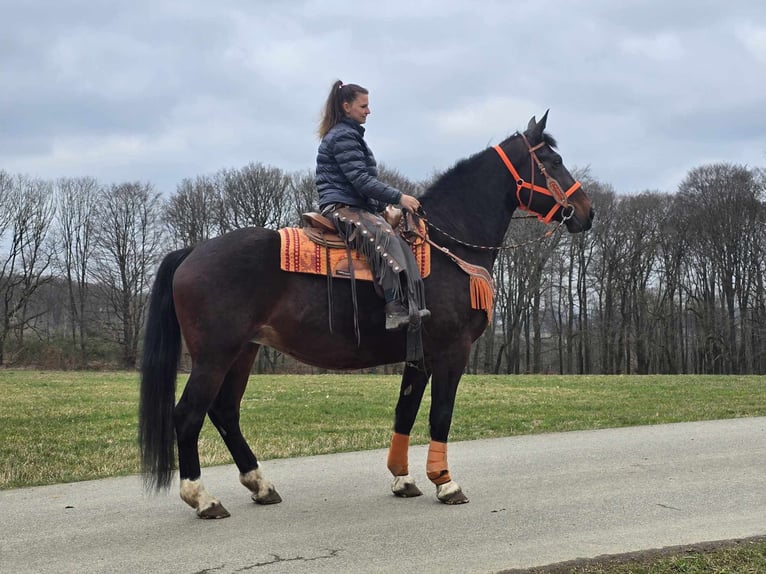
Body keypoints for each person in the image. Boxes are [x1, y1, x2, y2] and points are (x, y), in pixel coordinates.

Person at [315, 79, 429, 332]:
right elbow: (361, 180)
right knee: (384, 237)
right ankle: (393, 307)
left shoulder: (351, 134)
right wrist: (399, 198)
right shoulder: (344, 135)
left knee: (394, 233)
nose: (368, 111)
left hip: (354, 203)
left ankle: (409, 301)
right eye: (363, 106)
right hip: (340, 206)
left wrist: (381, 207)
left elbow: (361, 183)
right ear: (346, 107)